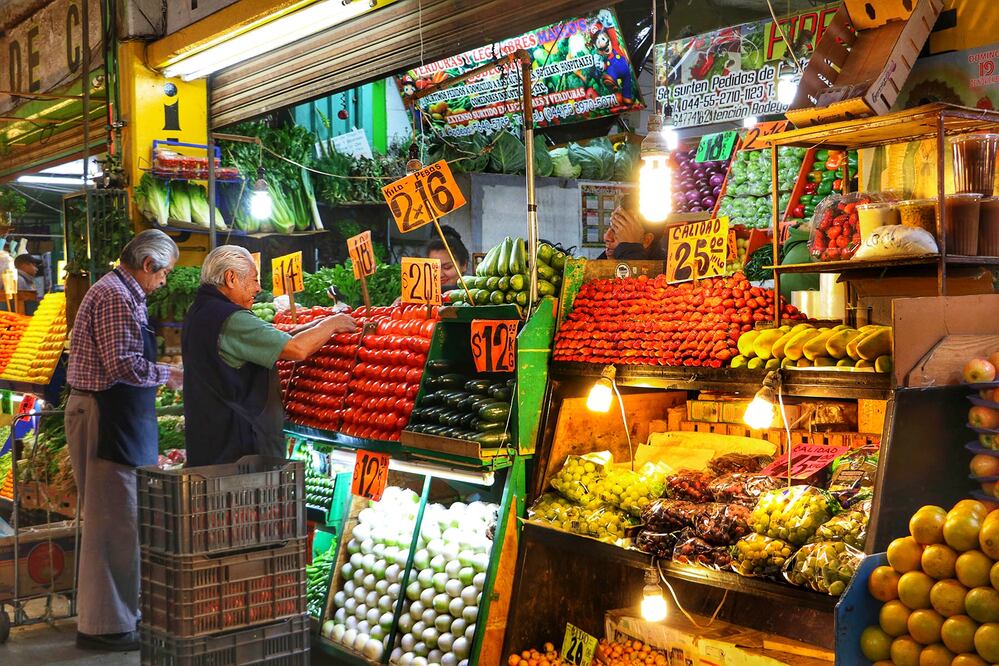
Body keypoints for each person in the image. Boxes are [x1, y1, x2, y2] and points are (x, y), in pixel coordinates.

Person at [65, 229, 183, 652]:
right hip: (105, 417)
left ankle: (110, 620)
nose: (164, 281)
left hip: (111, 415)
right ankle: (107, 629)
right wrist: (170, 375)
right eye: (164, 273)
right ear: (148, 264)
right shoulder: (115, 294)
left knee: (113, 524)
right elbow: (122, 365)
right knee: (114, 526)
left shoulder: (122, 292)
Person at [182, 246, 358, 467]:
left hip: (212, 441)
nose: (258, 288)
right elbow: (296, 350)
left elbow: (278, 339)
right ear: (231, 278)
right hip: (238, 450)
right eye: (254, 280)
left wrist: (316, 324)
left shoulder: (200, 310)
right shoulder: (230, 318)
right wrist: (331, 324)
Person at [598, 193, 666, 261]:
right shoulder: (601, 263)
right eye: (611, 226)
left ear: (646, 240)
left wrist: (631, 251)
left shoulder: (667, 269)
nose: (606, 237)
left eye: (618, 229)